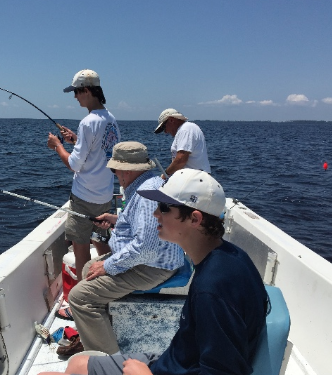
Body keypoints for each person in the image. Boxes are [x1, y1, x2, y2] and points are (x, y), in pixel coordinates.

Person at [41, 169, 268, 375]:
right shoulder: (231, 255)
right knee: (77, 365)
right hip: (175, 362)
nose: (155, 214)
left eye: (164, 208)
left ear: (195, 219)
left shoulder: (212, 289)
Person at [56, 141, 184, 356]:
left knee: (79, 297)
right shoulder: (148, 185)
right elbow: (143, 228)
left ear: (126, 170)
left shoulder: (145, 195)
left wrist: (108, 265)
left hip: (152, 265)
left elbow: (146, 249)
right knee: (88, 267)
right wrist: (114, 219)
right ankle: (93, 336)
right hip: (150, 259)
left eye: (115, 169)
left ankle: (108, 362)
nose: (114, 173)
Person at [47, 69, 120, 282]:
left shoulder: (88, 122)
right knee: (101, 241)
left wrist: (58, 146)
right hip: (104, 195)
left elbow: (74, 164)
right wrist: (76, 140)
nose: (75, 97)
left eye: (77, 92)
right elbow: (102, 150)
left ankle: (82, 295)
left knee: (81, 250)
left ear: (87, 90)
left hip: (84, 197)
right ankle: (108, 282)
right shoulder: (111, 119)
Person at [153, 108, 210, 177]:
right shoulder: (186, 128)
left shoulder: (185, 129)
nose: (165, 132)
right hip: (194, 178)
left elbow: (181, 160)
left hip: (195, 180)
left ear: (171, 120)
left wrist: (165, 175)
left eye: (164, 127)